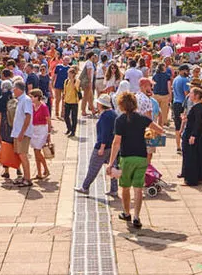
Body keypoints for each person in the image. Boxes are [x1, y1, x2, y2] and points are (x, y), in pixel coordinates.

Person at [107, 91, 164, 230]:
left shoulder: (120, 120)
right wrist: (149, 134)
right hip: (141, 157)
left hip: (126, 157)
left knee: (125, 187)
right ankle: (137, 217)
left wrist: (110, 163)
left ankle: (127, 213)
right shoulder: (142, 118)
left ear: (121, 105)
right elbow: (160, 130)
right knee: (138, 188)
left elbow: (116, 142)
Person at [75, 94, 118, 196]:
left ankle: (85, 187)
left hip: (103, 146)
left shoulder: (104, 116)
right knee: (113, 168)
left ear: (100, 104)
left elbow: (104, 133)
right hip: (112, 146)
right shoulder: (113, 114)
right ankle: (114, 189)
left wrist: (102, 147)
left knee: (93, 167)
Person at [181, 87, 202, 186]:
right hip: (196, 134)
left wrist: (193, 135)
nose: (189, 95)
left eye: (191, 93)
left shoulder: (198, 107)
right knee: (198, 156)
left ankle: (191, 179)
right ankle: (200, 176)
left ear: (197, 96)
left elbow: (198, 122)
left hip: (194, 134)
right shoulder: (198, 107)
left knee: (191, 157)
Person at [0, 79, 22, 180]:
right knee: (16, 146)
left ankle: (6, 171)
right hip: (15, 125)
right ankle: (18, 168)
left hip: (5, 125)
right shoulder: (16, 98)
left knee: (6, 148)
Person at [12, 81, 34, 188]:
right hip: (18, 132)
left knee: (23, 154)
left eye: (14, 89)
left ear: (19, 89)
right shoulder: (21, 100)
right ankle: (25, 177)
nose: (13, 91)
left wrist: (22, 132)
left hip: (23, 133)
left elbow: (28, 116)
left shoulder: (26, 100)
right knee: (19, 154)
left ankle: (28, 178)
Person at [30, 89, 51, 180]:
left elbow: (48, 120)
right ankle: (39, 173)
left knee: (37, 151)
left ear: (37, 97)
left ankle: (46, 169)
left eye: (32, 97)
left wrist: (49, 133)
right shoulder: (32, 106)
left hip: (42, 129)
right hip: (34, 129)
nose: (30, 98)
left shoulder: (43, 107)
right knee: (35, 151)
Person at [172, 65, 190, 153]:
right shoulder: (185, 80)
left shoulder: (175, 79)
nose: (188, 72)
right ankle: (184, 145)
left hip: (175, 103)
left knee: (177, 126)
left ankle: (178, 146)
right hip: (182, 104)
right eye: (187, 71)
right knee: (184, 125)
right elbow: (187, 94)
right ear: (183, 71)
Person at [62, 66, 80, 137]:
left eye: (69, 74)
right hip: (67, 101)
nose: (68, 75)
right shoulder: (66, 81)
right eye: (68, 73)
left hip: (74, 102)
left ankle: (73, 131)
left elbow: (76, 88)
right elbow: (64, 91)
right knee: (66, 116)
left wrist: (72, 80)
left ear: (73, 74)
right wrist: (63, 98)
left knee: (74, 117)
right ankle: (69, 128)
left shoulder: (77, 81)